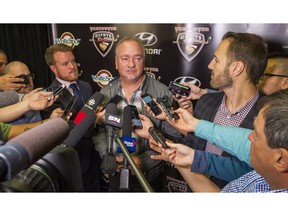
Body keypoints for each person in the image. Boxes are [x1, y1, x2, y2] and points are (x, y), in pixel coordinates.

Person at [143, 31, 268, 190]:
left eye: (216, 60)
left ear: (237, 68)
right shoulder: (206, 101)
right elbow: (190, 145)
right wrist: (155, 135)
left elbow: (254, 174)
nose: (210, 65)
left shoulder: (267, 119)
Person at [93, 36, 182, 192]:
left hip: (149, 175)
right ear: (116, 62)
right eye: (125, 58)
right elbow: (98, 133)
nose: (131, 64)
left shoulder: (162, 93)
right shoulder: (105, 94)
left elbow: (173, 137)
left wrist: (141, 161)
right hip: (115, 173)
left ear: (144, 61)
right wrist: (110, 156)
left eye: (137, 58)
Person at [157, 89, 288, 192]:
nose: (249, 137)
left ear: (281, 159)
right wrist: (184, 159)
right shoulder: (256, 178)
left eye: (257, 135)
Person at [40, 43, 101, 192]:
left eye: (73, 61)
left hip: (95, 161)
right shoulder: (47, 96)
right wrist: (94, 120)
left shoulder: (86, 86)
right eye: (65, 63)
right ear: (53, 68)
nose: (72, 66)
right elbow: (65, 131)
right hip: (71, 165)